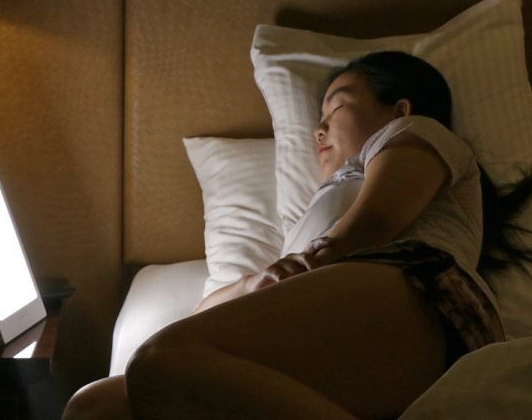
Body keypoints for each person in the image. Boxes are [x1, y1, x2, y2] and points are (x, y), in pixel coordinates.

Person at [63, 51, 515, 420]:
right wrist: (257, 283)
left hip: (426, 292)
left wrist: (309, 261)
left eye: (337, 107)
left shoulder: (417, 132)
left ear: (399, 108)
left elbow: (376, 221)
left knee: (159, 360)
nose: (318, 128)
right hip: (341, 319)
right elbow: (206, 315)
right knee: (96, 404)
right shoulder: (319, 213)